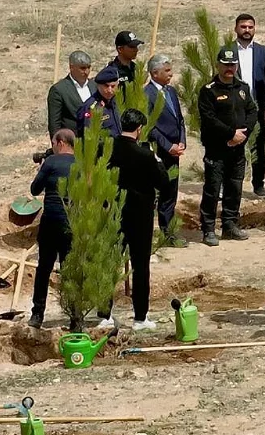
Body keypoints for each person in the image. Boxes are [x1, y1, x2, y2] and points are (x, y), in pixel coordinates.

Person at [108, 109, 170, 331]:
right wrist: (157, 160)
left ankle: (104, 313)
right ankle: (140, 317)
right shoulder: (145, 155)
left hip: (113, 212)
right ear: (139, 129)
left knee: (109, 263)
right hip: (140, 215)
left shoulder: (109, 149)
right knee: (140, 266)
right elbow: (163, 182)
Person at [197, 46, 258, 246]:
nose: (229, 68)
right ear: (218, 65)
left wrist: (243, 135)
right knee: (213, 190)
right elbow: (209, 119)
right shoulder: (208, 91)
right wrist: (230, 134)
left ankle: (230, 225)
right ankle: (208, 229)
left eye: (232, 64)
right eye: (225, 65)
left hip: (238, 148)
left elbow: (252, 112)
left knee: (235, 187)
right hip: (217, 148)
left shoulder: (242, 88)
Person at [29, 130, 74, 328]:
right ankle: (75, 315)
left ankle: (37, 314)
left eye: (54, 143)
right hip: (72, 222)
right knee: (70, 271)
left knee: (44, 269)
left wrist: (42, 170)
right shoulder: (81, 164)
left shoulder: (51, 163)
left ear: (61, 142)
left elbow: (34, 190)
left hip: (51, 221)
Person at [144, 54, 185, 245]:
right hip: (159, 151)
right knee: (158, 192)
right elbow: (150, 126)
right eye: (167, 71)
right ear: (155, 72)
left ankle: (168, 233)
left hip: (175, 151)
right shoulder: (147, 95)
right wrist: (168, 146)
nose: (171, 74)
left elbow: (180, 120)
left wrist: (181, 141)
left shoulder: (171, 92)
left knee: (171, 192)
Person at [233, 14, 265, 196]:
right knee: (235, 146)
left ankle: (258, 184)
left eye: (250, 27)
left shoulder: (263, 52)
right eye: (243, 27)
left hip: (257, 107)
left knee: (258, 145)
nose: (247, 30)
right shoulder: (228, 50)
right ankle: (233, 184)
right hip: (234, 108)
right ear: (236, 29)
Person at [48, 51, 93, 136]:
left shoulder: (94, 86)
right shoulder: (59, 90)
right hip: (72, 141)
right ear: (71, 67)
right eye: (82, 68)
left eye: (88, 67)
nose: (86, 72)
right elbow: (54, 124)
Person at [76, 67, 122, 140]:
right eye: (106, 86)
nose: (110, 90)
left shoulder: (116, 102)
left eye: (113, 86)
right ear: (98, 85)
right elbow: (89, 137)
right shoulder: (90, 107)